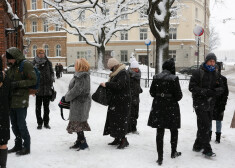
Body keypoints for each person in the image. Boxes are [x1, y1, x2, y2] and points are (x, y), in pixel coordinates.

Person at [148, 58, 182, 165]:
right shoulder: (174, 78)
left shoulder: (156, 77)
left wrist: (160, 96)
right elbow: (179, 96)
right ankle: (173, 152)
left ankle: (160, 157)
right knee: (174, 129)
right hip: (171, 107)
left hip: (158, 106)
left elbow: (152, 92)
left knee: (160, 131)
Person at [189, 53, 224, 157]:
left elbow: (222, 88)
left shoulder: (216, 74)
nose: (212, 63)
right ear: (206, 61)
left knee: (205, 125)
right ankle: (207, 149)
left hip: (210, 104)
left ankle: (197, 145)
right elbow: (192, 87)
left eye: (214, 61)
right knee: (204, 125)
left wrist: (215, 91)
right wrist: (205, 92)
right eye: (210, 61)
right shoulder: (198, 73)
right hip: (199, 103)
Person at [6, 47, 37, 155]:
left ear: (15, 57)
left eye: (10, 59)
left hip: (21, 99)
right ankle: (18, 144)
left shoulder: (26, 65)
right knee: (14, 125)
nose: (9, 61)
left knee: (21, 124)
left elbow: (33, 80)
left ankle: (26, 147)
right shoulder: (12, 67)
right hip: (11, 100)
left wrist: (18, 84)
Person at [100, 58, 131, 149]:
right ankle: (117, 138)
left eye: (110, 67)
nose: (110, 69)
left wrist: (107, 84)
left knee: (120, 121)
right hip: (117, 101)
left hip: (122, 102)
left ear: (114, 66)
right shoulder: (117, 72)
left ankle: (123, 140)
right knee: (115, 120)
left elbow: (119, 85)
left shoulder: (122, 73)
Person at [65, 58, 91, 151]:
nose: (74, 66)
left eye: (75, 64)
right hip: (79, 102)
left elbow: (76, 90)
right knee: (77, 122)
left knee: (77, 123)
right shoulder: (80, 75)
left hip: (80, 103)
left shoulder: (81, 76)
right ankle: (79, 141)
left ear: (79, 66)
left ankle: (83, 143)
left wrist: (67, 97)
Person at [33, 48, 54, 129]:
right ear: (37, 54)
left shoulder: (48, 62)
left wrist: (52, 79)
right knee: (38, 107)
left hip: (47, 88)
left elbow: (52, 72)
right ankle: (39, 123)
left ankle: (46, 123)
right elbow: (31, 75)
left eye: (42, 53)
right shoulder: (34, 63)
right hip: (38, 89)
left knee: (46, 107)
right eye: (40, 53)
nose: (41, 54)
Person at [210, 62, 229, 143]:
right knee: (209, 119)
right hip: (211, 103)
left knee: (218, 120)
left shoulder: (223, 79)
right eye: (214, 68)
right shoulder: (209, 78)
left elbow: (225, 92)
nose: (215, 70)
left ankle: (218, 137)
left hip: (219, 103)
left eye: (216, 68)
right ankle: (208, 136)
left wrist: (223, 103)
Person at [0, 56, 11, 168]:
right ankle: (3, 165)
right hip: (3, 112)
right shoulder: (6, 77)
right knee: (3, 141)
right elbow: (9, 95)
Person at [127, 60, 142, 134]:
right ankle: (129, 129)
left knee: (135, 114)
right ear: (131, 68)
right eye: (135, 68)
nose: (137, 70)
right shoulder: (128, 75)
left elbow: (136, 85)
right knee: (130, 114)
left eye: (137, 68)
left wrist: (139, 89)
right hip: (130, 97)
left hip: (136, 97)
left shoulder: (137, 75)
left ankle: (133, 128)